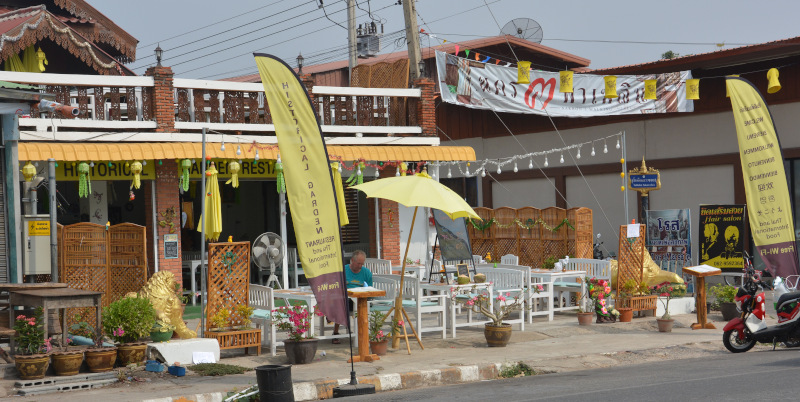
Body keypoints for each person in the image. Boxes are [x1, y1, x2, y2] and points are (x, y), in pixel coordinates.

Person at [332, 250, 371, 343]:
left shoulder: (366, 272)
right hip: (344, 298)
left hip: (360, 299)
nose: (360, 266)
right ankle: (336, 332)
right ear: (352, 260)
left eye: (362, 263)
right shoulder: (343, 270)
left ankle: (360, 333)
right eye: (358, 263)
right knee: (340, 303)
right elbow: (335, 285)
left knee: (341, 305)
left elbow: (370, 289)